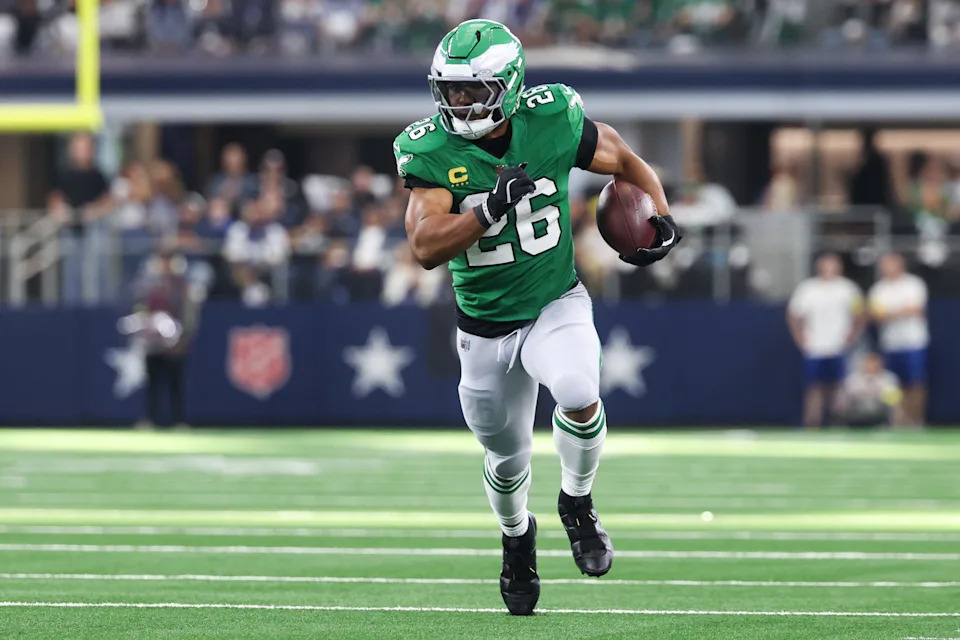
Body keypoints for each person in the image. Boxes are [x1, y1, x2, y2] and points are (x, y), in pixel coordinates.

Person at [395, 20, 680, 616]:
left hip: (555, 299)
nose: (459, 102)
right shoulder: (431, 151)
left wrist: (659, 216)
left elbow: (624, 159)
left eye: (472, 89)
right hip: (484, 327)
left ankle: (577, 501)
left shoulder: (550, 118)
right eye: (450, 90)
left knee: (578, 391)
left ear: (509, 85)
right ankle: (517, 538)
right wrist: (487, 211)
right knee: (507, 459)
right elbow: (423, 247)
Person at [787, 254, 866, 429]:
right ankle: (812, 422)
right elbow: (794, 315)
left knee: (838, 386)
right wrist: (800, 337)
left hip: (839, 346)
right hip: (814, 347)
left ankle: (838, 422)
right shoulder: (808, 288)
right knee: (813, 387)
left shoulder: (848, 288)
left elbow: (860, 314)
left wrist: (853, 336)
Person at [124, 246, 200, 429]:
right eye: (162, 260)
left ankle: (178, 420)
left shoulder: (183, 287)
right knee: (152, 384)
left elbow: (189, 316)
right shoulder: (149, 287)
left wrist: (183, 340)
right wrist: (145, 332)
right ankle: (150, 419)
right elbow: (140, 311)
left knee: (176, 384)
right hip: (153, 345)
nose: (165, 264)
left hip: (175, 344)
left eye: (168, 260)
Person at [48, 132, 114, 306]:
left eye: (86, 147)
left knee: (94, 272)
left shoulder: (98, 175)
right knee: (71, 271)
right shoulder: (64, 174)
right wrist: (62, 212)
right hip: (71, 229)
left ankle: (95, 306)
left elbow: (108, 200)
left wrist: (94, 211)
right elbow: (55, 198)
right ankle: (72, 307)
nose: (82, 151)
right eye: (79, 147)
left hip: (94, 229)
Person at [868, 252, 929, 427]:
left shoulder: (914, 284)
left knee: (915, 383)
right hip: (891, 344)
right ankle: (899, 422)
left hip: (913, 342)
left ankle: (916, 422)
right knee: (893, 386)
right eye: (884, 265)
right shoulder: (878, 289)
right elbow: (876, 316)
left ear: (900, 264)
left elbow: (915, 309)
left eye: (890, 264)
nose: (887, 268)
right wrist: (901, 311)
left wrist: (890, 313)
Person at [840, 352, 903, 428]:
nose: (871, 365)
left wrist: (877, 390)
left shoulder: (889, 378)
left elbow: (893, 400)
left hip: (879, 412)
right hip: (858, 413)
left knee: (895, 406)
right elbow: (848, 397)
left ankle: (895, 425)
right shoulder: (853, 378)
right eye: (869, 362)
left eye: (874, 362)